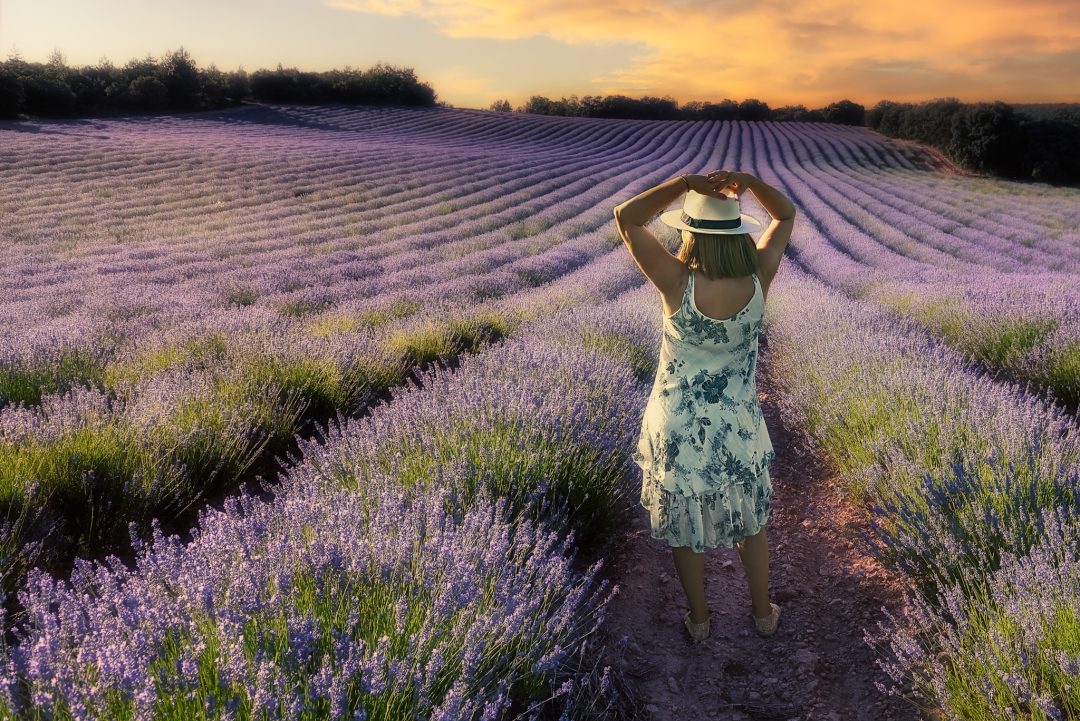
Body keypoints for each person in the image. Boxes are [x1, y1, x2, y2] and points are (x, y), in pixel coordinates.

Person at [612, 169, 796, 643]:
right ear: (737, 232)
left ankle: (699, 620)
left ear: (689, 232)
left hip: (678, 423)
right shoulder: (760, 275)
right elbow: (786, 213)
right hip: (737, 421)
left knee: (684, 525)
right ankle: (761, 613)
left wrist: (685, 183)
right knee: (749, 522)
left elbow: (626, 218)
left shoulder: (675, 281)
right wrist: (750, 183)